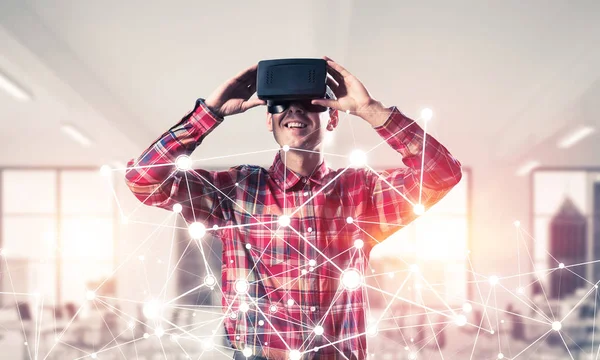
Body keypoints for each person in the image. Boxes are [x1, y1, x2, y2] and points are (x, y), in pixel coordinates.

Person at [125, 56, 462, 360]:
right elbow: (142, 180)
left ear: (331, 120)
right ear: (268, 122)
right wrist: (207, 116)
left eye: (308, 103)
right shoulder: (236, 191)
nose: (295, 111)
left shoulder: (360, 193)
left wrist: (372, 110)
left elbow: (441, 176)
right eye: (280, 104)